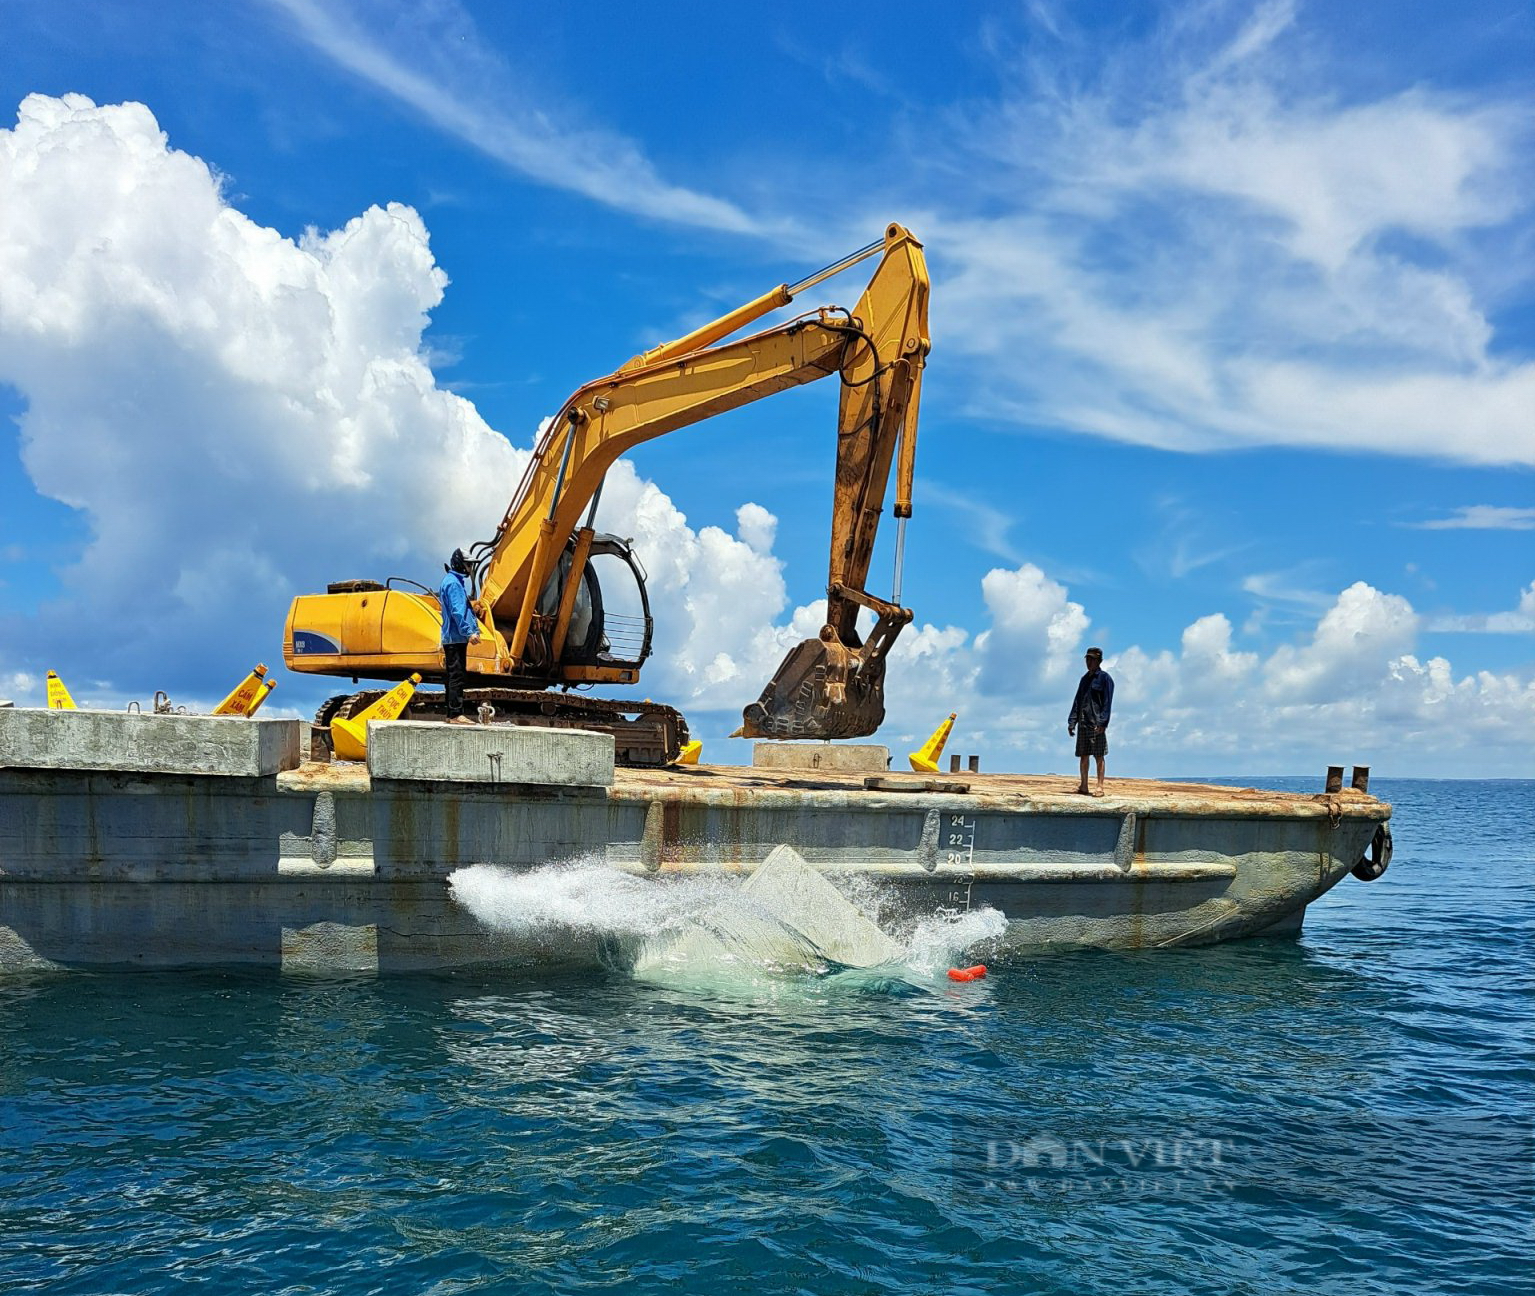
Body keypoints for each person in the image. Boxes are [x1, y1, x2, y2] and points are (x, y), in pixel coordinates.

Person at [438, 548, 481, 725]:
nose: (470, 568)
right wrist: (469, 631)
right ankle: (456, 714)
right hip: (456, 637)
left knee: (452, 676)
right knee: (457, 676)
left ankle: (451, 714)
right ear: (460, 564)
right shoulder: (454, 584)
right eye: (469, 564)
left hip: (451, 637)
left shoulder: (451, 581)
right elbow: (458, 610)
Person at [1068, 647, 1114, 796]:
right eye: (1087, 659)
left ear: (1099, 661)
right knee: (1083, 755)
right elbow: (1077, 700)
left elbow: (1107, 702)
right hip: (1083, 722)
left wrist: (1103, 723)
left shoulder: (1105, 678)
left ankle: (1100, 786)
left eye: (1092, 659)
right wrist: (1072, 721)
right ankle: (1084, 785)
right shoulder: (1084, 679)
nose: (1089, 662)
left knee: (1099, 755)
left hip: (1096, 723)